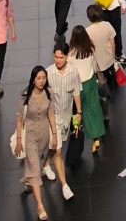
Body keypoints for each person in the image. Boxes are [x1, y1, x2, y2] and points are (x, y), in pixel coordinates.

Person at [16, 65, 71, 215]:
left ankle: (28, 182)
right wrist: (19, 140)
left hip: (44, 135)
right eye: (38, 78)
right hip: (30, 136)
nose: (41, 81)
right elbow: (20, 118)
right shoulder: (25, 96)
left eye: (44, 78)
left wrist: (54, 134)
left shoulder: (49, 93)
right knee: (35, 169)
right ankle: (40, 206)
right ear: (33, 80)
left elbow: (51, 115)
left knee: (34, 164)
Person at [43, 46, 83, 196]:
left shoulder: (73, 72)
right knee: (58, 151)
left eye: (61, 57)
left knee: (55, 146)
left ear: (67, 56)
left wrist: (78, 112)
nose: (58, 60)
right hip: (52, 118)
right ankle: (65, 186)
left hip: (66, 117)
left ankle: (46, 164)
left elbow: (76, 92)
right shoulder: (48, 73)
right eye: (56, 57)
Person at [67, 25, 106, 153]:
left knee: (78, 110)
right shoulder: (90, 49)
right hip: (90, 83)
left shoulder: (71, 54)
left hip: (77, 85)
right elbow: (94, 66)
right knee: (93, 109)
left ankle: (77, 131)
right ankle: (96, 137)